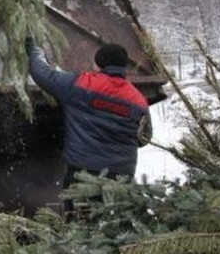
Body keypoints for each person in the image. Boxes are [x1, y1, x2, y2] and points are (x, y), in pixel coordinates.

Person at [25, 39, 152, 206]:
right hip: (121, 179)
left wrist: (35, 52)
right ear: (124, 67)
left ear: (99, 65)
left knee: (78, 225)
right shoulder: (138, 100)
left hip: (83, 176)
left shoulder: (81, 85)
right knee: (115, 226)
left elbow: (42, 74)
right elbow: (144, 138)